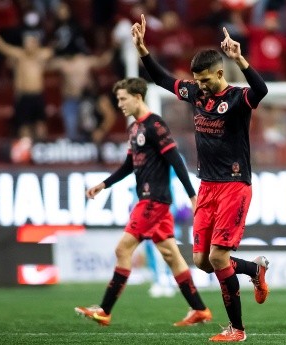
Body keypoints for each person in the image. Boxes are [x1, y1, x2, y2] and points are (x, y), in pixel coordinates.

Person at [132, 15, 270, 342]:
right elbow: (164, 80)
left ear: (220, 73)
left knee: (218, 257)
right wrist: (142, 50)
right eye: (198, 80)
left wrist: (240, 58)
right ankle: (254, 269)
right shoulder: (197, 94)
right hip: (206, 186)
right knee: (202, 261)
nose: (202, 85)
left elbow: (261, 90)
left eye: (206, 80)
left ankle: (237, 330)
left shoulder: (237, 99)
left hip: (234, 186)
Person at [75, 77, 212, 327]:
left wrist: (193, 196)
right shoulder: (134, 129)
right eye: (118, 99)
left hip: (154, 200)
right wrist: (103, 185)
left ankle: (104, 309)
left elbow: (176, 162)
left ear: (138, 97)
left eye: (123, 99)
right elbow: (130, 164)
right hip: (151, 200)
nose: (119, 104)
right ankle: (199, 309)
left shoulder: (155, 125)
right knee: (172, 255)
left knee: (122, 249)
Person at [0, 20, 53, 140]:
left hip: (37, 95)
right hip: (24, 96)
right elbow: (4, 48)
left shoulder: (41, 55)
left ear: (36, 43)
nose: (28, 44)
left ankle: (42, 152)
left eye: (31, 41)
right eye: (26, 41)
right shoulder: (19, 55)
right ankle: (26, 155)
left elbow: (52, 51)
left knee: (41, 126)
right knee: (23, 128)